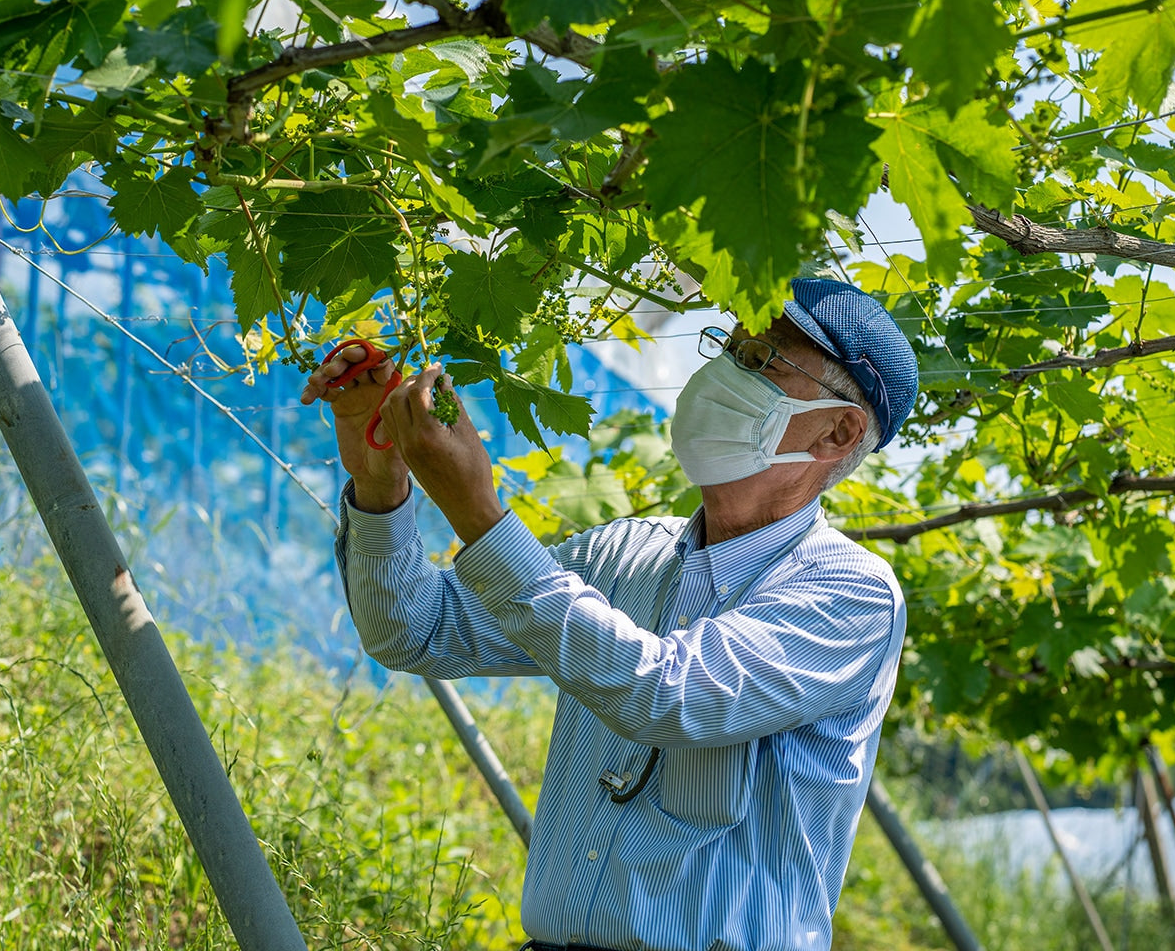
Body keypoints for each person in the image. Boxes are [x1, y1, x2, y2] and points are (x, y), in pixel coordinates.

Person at [299, 277, 920, 951]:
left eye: (763, 359)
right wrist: (379, 480)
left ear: (838, 431)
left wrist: (478, 512)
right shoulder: (623, 551)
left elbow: (666, 694)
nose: (724, 371)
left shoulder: (851, 593)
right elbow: (413, 630)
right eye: (731, 346)